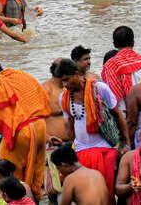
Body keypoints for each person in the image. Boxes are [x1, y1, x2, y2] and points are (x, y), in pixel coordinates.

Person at [0, 58, 52, 201]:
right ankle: (34, 198)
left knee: (8, 172)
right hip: (40, 126)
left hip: (21, 131)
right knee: (36, 170)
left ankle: (18, 201)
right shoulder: (21, 74)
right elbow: (40, 95)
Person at [56, 58, 130, 201]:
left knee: (106, 192)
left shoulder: (100, 88)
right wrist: (72, 146)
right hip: (81, 150)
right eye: (62, 82)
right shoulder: (63, 97)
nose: (65, 85)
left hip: (104, 148)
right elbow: (69, 125)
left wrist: (126, 144)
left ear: (76, 74)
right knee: (83, 193)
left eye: (67, 80)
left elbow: (118, 115)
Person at [101, 26, 141, 106]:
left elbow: (113, 98)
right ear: (133, 42)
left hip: (126, 112)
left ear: (114, 44)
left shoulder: (110, 65)